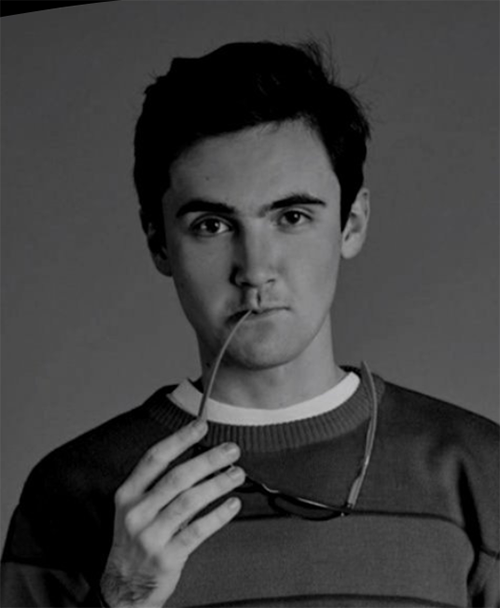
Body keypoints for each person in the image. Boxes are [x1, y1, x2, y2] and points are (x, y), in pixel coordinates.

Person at [1, 40, 500, 608]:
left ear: (353, 223)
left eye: (293, 217)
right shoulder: (73, 489)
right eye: (212, 225)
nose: (255, 269)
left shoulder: (479, 470)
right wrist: (123, 598)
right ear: (158, 242)